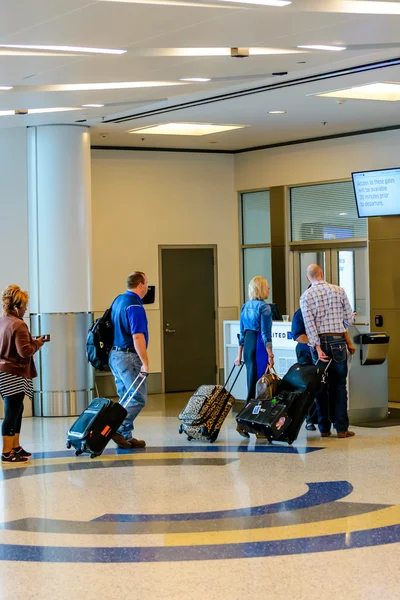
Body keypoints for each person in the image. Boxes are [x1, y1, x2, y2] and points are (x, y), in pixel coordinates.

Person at [300, 264, 356, 439]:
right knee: (339, 386)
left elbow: (309, 326)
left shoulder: (306, 296)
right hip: (338, 341)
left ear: (308, 278)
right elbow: (350, 319)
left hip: (319, 345)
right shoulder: (339, 290)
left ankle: (324, 428)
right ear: (322, 274)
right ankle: (341, 429)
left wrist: (317, 346)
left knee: (320, 387)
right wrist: (342, 324)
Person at [0, 285, 47, 463]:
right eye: (24, 305)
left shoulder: (3, 321)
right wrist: (38, 344)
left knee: (17, 410)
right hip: (14, 373)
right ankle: (6, 452)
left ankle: (15, 446)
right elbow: (24, 352)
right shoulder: (19, 324)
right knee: (12, 412)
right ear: (16, 305)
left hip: (3, 372)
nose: (26, 308)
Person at [292, 306, 355, 432]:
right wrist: (316, 342)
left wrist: (347, 343)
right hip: (308, 353)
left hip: (320, 351)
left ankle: (325, 426)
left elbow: (341, 328)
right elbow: (298, 336)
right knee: (319, 386)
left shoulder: (324, 309)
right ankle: (314, 420)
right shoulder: (303, 312)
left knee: (325, 387)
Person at [108, 272, 149, 449]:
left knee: (125, 397)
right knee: (137, 398)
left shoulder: (118, 300)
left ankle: (125, 435)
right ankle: (116, 428)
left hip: (115, 355)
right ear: (140, 285)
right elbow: (137, 337)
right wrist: (145, 362)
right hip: (129, 357)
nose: (148, 286)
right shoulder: (134, 306)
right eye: (146, 282)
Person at [235, 276, 274, 438]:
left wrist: (239, 355)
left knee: (252, 384)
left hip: (248, 346)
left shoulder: (245, 306)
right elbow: (266, 333)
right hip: (259, 345)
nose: (269, 290)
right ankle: (254, 425)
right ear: (261, 289)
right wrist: (270, 353)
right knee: (261, 387)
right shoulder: (264, 308)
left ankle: (245, 422)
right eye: (267, 287)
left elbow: (242, 333)